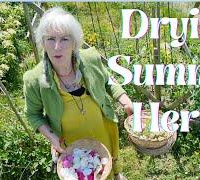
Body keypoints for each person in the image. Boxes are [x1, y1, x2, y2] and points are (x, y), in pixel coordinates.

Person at [23, 7, 133, 180]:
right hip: (71, 142)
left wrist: (124, 98)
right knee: (84, 170)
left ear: (74, 43)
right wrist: (52, 138)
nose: (57, 47)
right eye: (50, 39)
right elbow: (33, 114)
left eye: (64, 39)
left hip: (102, 128)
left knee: (107, 162)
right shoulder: (35, 80)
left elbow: (107, 80)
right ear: (43, 43)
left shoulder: (90, 59)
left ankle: (115, 174)